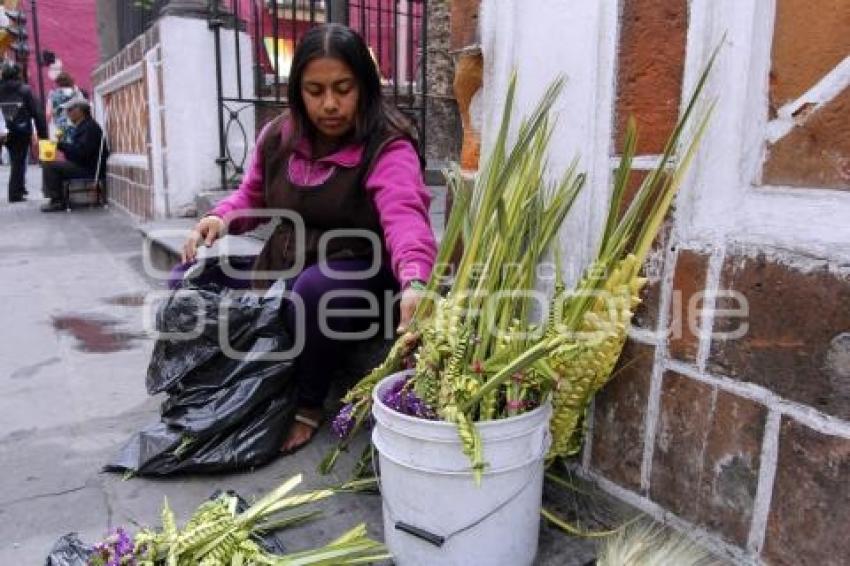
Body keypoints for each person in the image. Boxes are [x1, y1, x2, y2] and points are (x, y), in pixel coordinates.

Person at [181, 23, 437, 454]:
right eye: (315, 91)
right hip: (289, 257)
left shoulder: (388, 146)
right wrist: (220, 219)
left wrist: (415, 280)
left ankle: (307, 404)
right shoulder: (279, 136)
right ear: (297, 91)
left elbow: (404, 217)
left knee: (312, 290)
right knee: (190, 281)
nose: (330, 104)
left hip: (358, 271)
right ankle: (217, 390)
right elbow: (252, 196)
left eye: (343, 88)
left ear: (365, 87)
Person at [40, 96, 108, 212]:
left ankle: (57, 201)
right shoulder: (84, 126)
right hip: (84, 165)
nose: (67, 113)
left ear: (79, 111)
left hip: (89, 169)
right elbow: (77, 152)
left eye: (70, 110)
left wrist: (61, 145)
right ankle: (56, 197)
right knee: (51, 163)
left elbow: (82, 153)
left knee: (50, 165)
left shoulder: (89, 127)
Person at [0, 63, 48, 203]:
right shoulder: (25, 90)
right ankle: (15, 193)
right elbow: (37, 112)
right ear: (18, 74)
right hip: (20, 130)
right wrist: (43, 135)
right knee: (18, 161)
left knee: (17, 160)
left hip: (3, 128)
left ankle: (19, 189)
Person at [46, 71, 82, 143]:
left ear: (57, 83)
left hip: (58, 127)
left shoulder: (52, 94)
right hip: (74, 125)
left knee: (61, 148)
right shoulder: (76, 93)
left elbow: (48, 113)